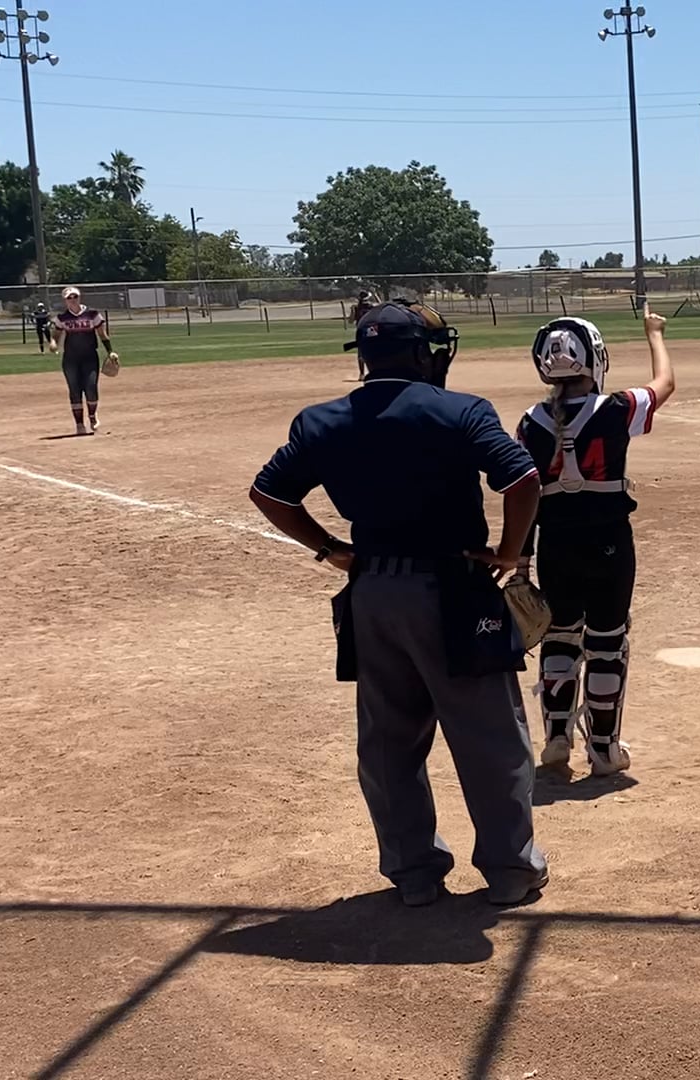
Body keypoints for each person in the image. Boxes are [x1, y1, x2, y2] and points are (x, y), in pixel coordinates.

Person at [248, 301, 550, 908]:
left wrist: (330, 548)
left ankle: (414, 875)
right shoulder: (461, 410)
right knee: (491, 737)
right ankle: (510, 871)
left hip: (373, 593)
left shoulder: (321, 421)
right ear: (419, 354)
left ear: (364, 357)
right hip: (453, 588)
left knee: (389, 742)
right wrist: (510, 553)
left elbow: (268, 493)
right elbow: (522, 479)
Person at [514, 305, 675, 777]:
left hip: (555, 546)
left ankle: (556, 738)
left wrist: (521, 562)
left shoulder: (529, 422)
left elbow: (524, 496)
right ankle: (604, 750)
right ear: (595, 359)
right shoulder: (615, 409)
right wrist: (654, 334)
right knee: (608, 640)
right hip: (609, 543)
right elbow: (664, 383)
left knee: (560, 635)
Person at [49, 286, 118, 436]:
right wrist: (53, 343)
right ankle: (79, 424)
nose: (73, 300)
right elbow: (56, 334)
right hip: (71, 359)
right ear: (65, 300)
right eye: (69, 298)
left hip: (90, 357)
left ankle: (92, 416)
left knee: (91, 387)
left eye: (75, 296)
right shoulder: (62, 318)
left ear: (79, 297)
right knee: (75, 390)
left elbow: (102, 334)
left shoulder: (92, 314)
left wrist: (110, 351)